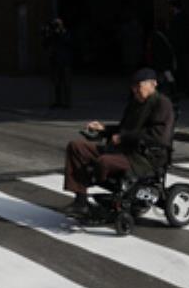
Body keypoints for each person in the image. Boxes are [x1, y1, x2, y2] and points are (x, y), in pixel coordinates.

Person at [62, 68, 174, 214]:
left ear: (153, 84)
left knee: (103, 161)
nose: (135, 91)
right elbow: (122, 128)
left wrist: (124, 137)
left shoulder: (162, 104)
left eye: (138, 87)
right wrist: (103, 129)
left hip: (142, 157)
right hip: (122, 150)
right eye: (133, 87)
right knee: (75, 147)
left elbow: (157, 136)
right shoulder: (135, 103)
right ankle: (81, 201)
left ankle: (102, 186)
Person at [43, 17, 73, 109]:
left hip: (65, 61)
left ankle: (67, 102)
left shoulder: (66, 33)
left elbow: (67, 42)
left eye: (57, 24)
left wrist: (59, 33)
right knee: (56, 82)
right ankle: (58, 101)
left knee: (66, 83)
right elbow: (45, 44)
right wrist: (47, 34)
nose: (55, 26)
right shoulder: (53, 35)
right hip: (55, 61)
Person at [168, 0, 189, 97]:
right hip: (186, 46)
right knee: (186, 67)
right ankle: (188, 89)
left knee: (182, 68)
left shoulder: (176, 19)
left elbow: (175, 34)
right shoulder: (185, 17)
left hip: (180, 47)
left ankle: (184, 88)